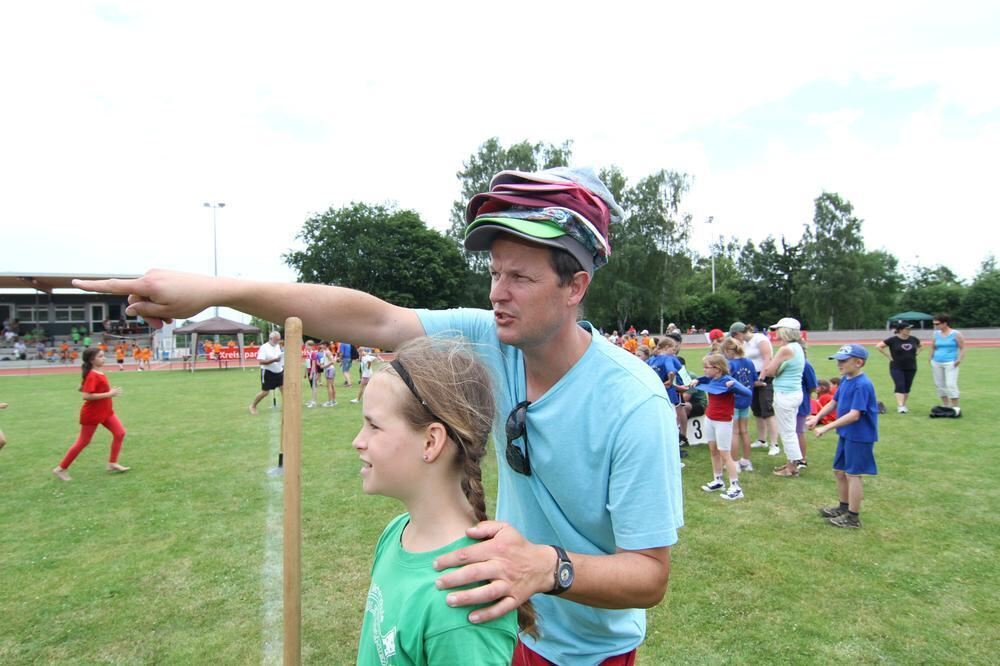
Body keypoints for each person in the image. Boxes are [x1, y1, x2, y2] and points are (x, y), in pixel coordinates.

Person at [73, 165, 683, 664]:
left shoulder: (633, 403)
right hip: (498, 617)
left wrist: (546, 567)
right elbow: (376, 319)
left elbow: (649, 576)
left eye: (520, 277)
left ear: (575, 287)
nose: (497, 292)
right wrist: (218, 290)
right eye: (495, 272)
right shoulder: (494, 339)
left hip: (585, 654)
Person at [355, 336, 529, 664]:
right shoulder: (397, 533)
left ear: (431, 441)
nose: (357, 441)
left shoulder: (464, 604)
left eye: (373, 426)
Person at [806, 345, 879, 528]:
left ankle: (853, 517)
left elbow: (855, 414)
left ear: (858, 362)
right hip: (847, 434)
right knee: (839, 472)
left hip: (859, 436)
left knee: (853, 475)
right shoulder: (846, 380)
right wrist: (818, 417)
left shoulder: (862, 385)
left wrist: (826, 427)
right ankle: (843, 507)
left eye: (843, 361)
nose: (839, 364)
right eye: (838, 360)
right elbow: (834, 402)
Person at [52, 347, 129, 481]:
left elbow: (82, 388)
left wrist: (91, 388)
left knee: (120, 433)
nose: (103, 358)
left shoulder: (96, 372)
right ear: (92, 360)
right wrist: (109, 393)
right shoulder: (93, 374)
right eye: (100, 356)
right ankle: (60, 469)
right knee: (83, 442)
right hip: (92, 414)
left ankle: (112, 463)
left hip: (106, 412)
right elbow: (86, 396)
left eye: (103, 355)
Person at [691, 353, 752, 500]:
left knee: (725, 454)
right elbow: (702, 379)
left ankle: (736, 487)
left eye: (706, 367)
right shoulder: (711, 379)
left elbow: (748, 392)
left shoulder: (728, 381)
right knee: (713, 450)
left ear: (717, 369)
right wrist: (696, 380)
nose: (704, 370)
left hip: (723, 421)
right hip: (710, 419)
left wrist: (735, 385)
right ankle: (718, 480)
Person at [762, 318, 805, 477]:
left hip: (785, 394)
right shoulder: (798, 347)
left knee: (787, 432)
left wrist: (773, 367)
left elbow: (770, 371)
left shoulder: (785, 349)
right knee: (790, 430)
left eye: (778, 330)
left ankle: (792, 466)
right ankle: (791, 462)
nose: (776, 333)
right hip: (794, 393)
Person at [729, 322, 777, 453]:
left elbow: (767, 358)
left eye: (734, 336)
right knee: (756, 408)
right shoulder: (743, 344)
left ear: (738, 333)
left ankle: (774, 444)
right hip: (750, 377)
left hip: (763, 375)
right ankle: (762, 439)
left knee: (767, 409)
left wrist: (761, 377)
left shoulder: (760, 339)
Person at [721, 336, 756, 472]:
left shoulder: (729, 364)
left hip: (733, 401)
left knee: (734, 433)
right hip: (746, 400)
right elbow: (754, 379)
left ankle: (734, 462)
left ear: (728, 351)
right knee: (744, 431)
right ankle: (746, 461)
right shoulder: (748, 362)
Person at [876, 321, 922, 413]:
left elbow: (921, 346)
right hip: (896, 367)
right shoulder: (892, 340)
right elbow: (878, 346)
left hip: (911, 366)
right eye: (907, 329)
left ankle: (904, 405)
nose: (909, 330)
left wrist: (917, 352)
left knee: (907, 387)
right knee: (900, 385)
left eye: (910, 329)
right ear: (900, 330)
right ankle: (900, 406)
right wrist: (889, 356)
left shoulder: (913, 339)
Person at [928, 313, 965, 415]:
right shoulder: (936, 334)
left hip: (950, 362)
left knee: (950, 384)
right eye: (934, 324)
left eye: (937, 324)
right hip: (936, 362)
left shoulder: (956, 334)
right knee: (939, 384)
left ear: (945, 323)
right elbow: (933, 347)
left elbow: (962, 348)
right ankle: (945, 405)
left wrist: (959, 359)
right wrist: (930, 357)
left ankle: (955, 407)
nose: (936, 326)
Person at [250, 331, 284, 415]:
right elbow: (261, 362)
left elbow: (279, 357)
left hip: (279, 371)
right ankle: (253, 406)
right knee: (265, 392)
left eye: (278, 340)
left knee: (284, 389)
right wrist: (274, 360)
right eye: (276, 340)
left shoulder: (277, 346)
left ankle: (288, 407)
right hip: (268, 372)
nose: (277, 342)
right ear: (270, 338)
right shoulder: (264, 347)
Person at [319, 342, 338, 406]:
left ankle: (330, 402)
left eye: (322, 345)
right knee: (331, 385)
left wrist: (324, 366)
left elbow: (333, 361)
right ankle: (333, 401)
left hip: (329, 369)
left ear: (325, 345)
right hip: (330, 369)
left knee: (329, 386)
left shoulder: (327, 352)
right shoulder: (326, 351)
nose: (321, 346)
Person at [304, 340, 321, 408]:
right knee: (312, 387)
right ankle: (312, 400)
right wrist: (305, 373)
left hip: (313, 372)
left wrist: (311, 374)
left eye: (306, 345)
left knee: (314, 387)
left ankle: (314, 402)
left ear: (310, 346)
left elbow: (314, 365)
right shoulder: (308, 353)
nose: (305, 346)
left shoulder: (313, 353)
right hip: (309, 372)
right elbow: (306, 364)